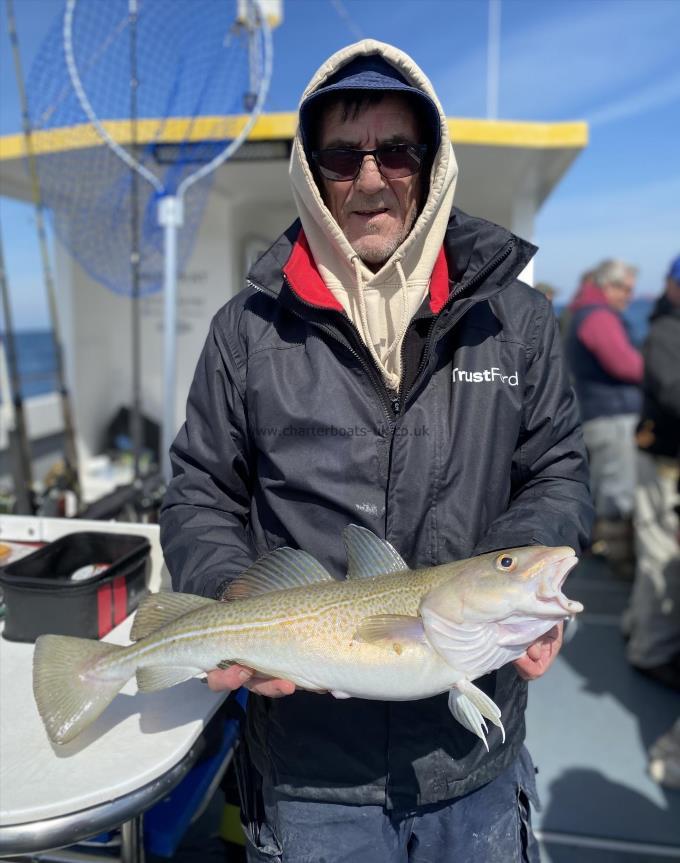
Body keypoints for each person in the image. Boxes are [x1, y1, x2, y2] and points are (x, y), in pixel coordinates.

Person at [160, 39, 593, 862]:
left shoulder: (516, 319)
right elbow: (199, 491)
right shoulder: (246, 333)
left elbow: (558, 468)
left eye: (396, 150)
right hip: (309, 764)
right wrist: (229, 598)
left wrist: (514, 586)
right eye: (340, 155)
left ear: (430, 165)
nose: (369, 179)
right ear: (311, 172)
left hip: (475, 757)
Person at [564, 259, 642, 576]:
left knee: (600, 486)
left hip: (596, 413)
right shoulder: (598, 317)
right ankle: (617, 562)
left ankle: (599, 548)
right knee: (617, 491)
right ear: (607, 286)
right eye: (625, 289)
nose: (629, 296)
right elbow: (626, 365)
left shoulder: (581, 312)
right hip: (612, 416)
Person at [625, 255, 680, 690]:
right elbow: (673, 391)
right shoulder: (665, 331)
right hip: (662, 461)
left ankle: (638, 627)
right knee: (660, 554)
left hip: (666, 459)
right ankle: (650, 651)